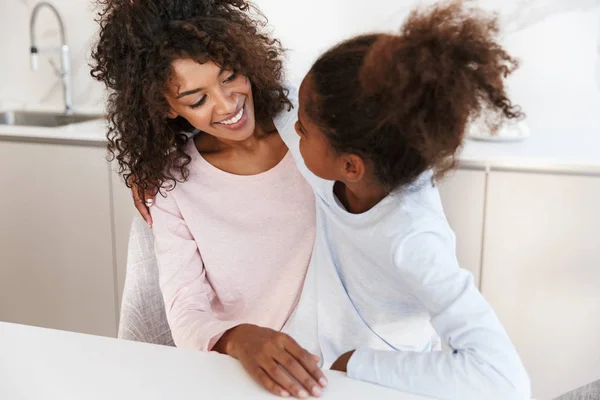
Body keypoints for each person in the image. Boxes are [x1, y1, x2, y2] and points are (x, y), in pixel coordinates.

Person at [280, 1, 531, 399]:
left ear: (350, 167)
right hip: (314, 367)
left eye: (303, 128)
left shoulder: (414, 240)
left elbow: (504, 381)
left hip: (378, 383)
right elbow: (271, 93)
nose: (292, 125)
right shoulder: (358, 153)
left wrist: (357, 362)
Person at [90, 1, 327, 398]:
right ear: (165, 107)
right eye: (197, 100)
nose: (228, 104)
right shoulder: (171, 184)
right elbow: (185, 308)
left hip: (330, 364)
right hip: (239, 373)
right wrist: (237, 339)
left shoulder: (310, 134)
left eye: (230, 76)